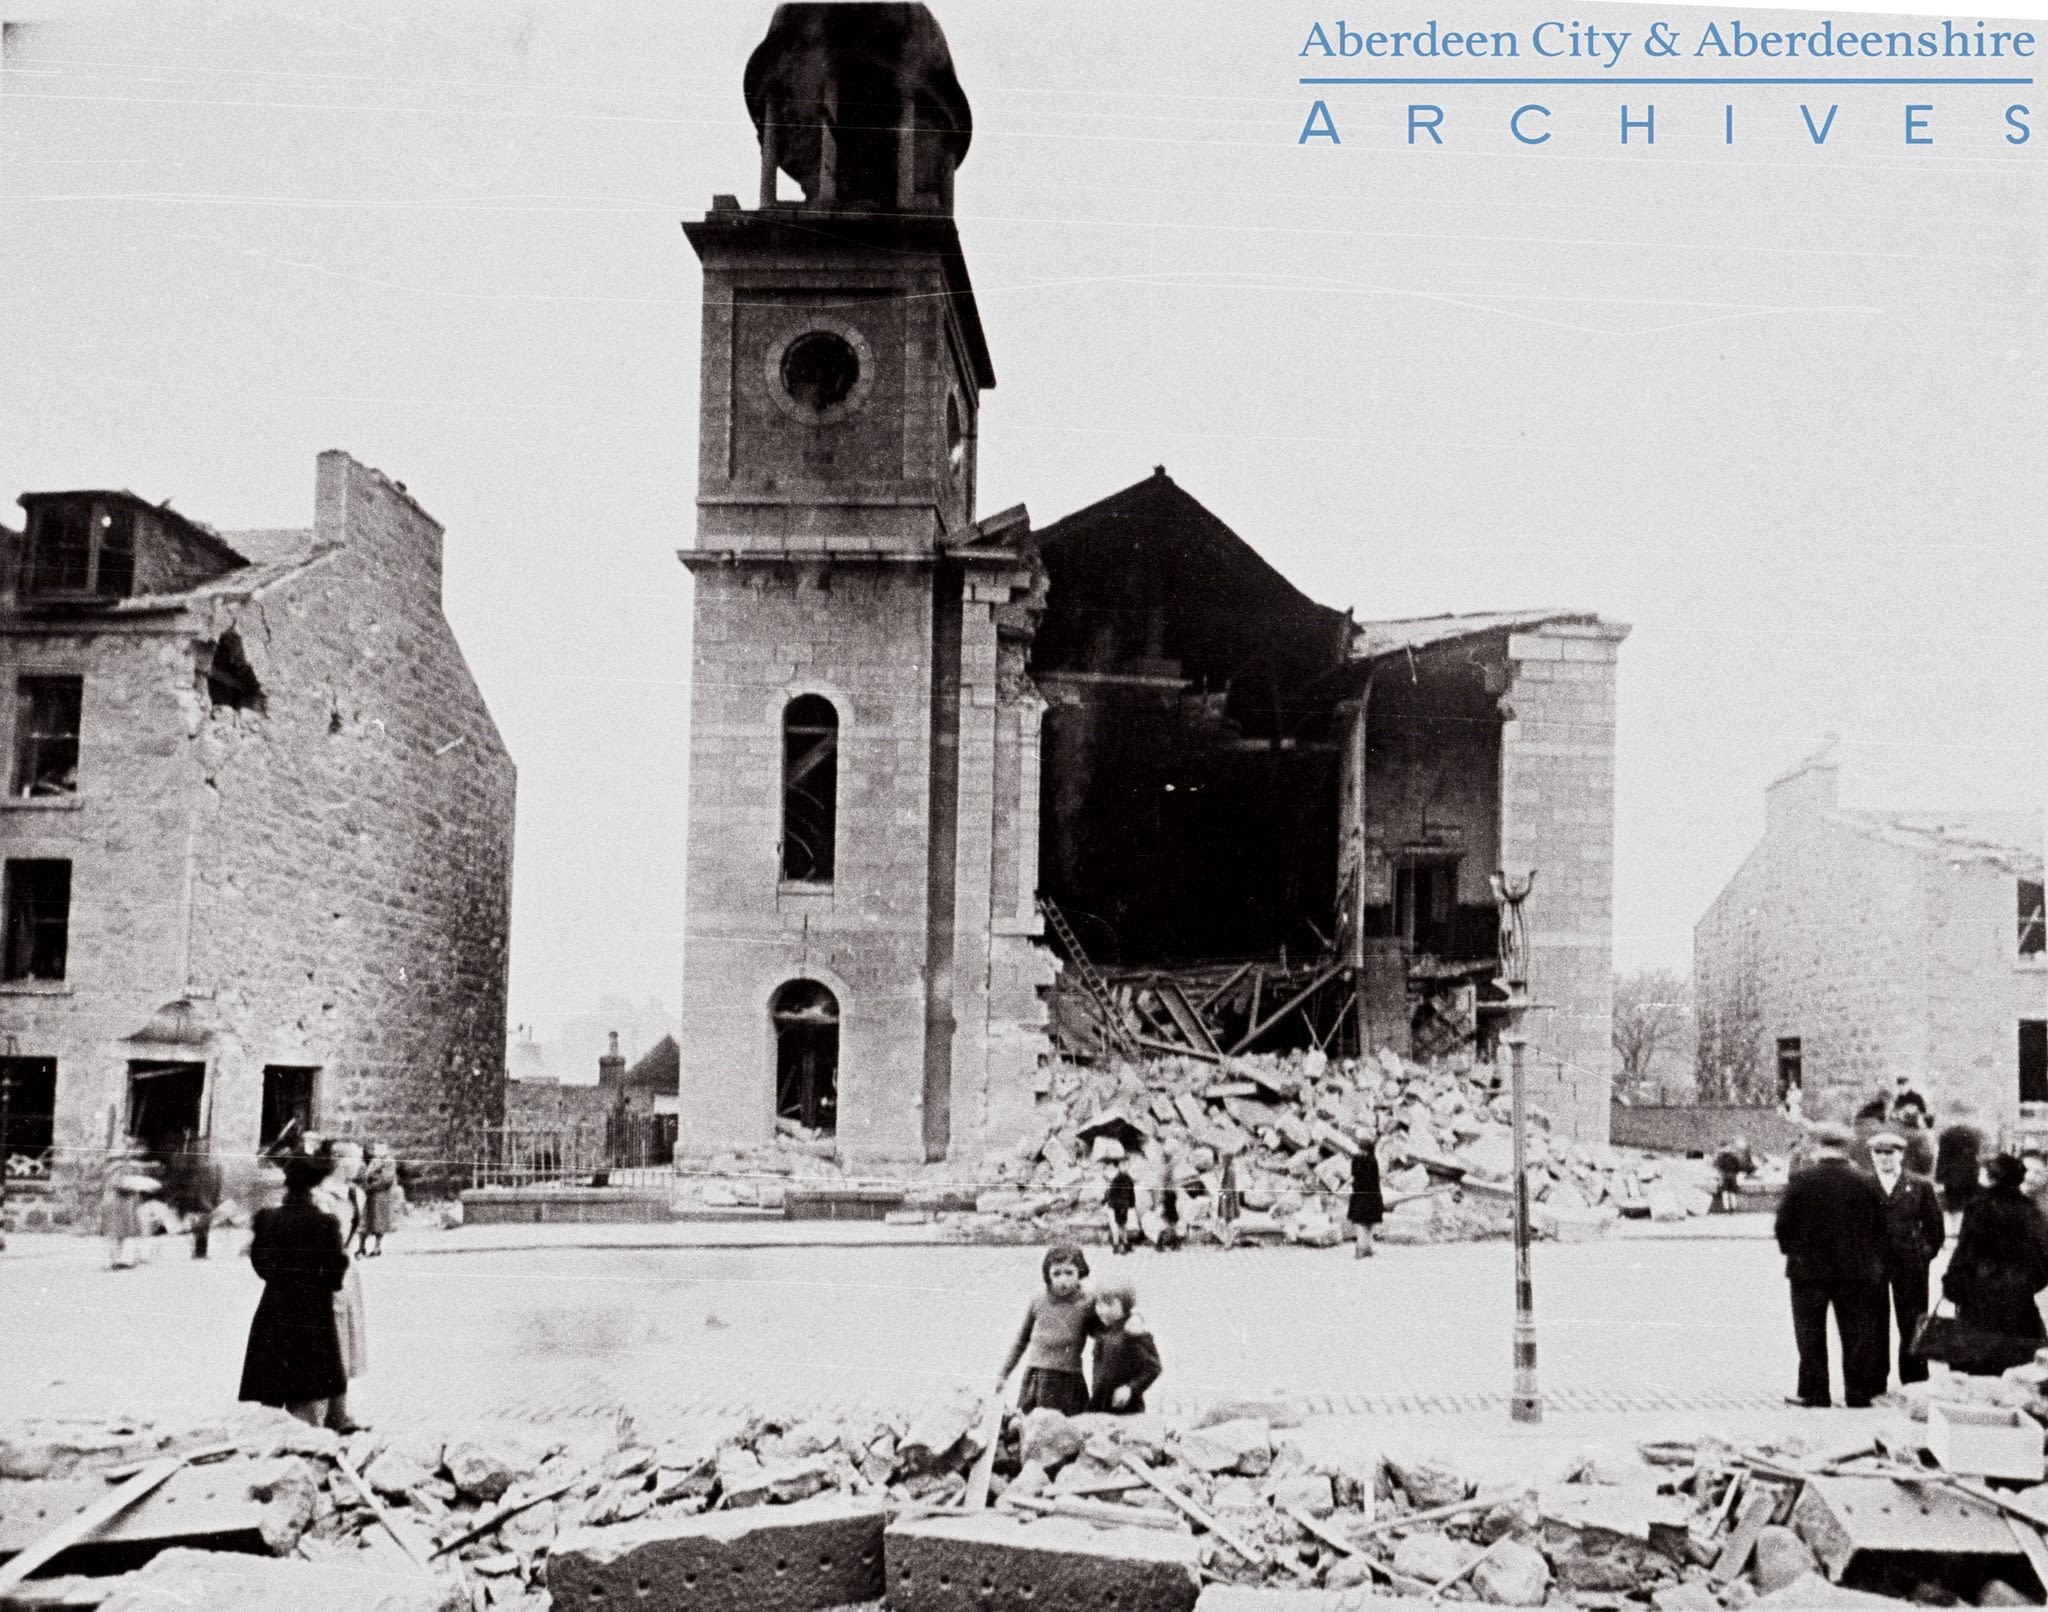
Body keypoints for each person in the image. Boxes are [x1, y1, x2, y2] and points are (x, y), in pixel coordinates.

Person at [1773, 1122, 1888, 1408]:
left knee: (1810, 1333)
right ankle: (1858, 1393)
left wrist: (1794, 1252)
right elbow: (1880, 1227)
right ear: (1846, 1148)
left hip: (1808, 1271)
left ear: (1818, 1146)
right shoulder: (1865, 1182)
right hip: (1855, 1271)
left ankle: (1814, 1392)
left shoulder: (1802, 1181)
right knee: (1856, 1333)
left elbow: (1783, 1225)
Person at [239, 1152, 350, 1425]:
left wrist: (280, 1278)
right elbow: (335, 1274)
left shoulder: (267, 1219)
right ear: (314, 1186)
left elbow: (260, 1264)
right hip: (313, 1313)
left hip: (274, 1308)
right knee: (306, 1389)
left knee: (272, 1386)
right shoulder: (325, 1223)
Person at [1941, 1153, 2048, 1376]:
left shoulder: (1978, 1207)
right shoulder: (2029, 1210)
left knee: (1977, 1361)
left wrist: (1952, 1285)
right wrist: (2025, 1285)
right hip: (2017, 1301)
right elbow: (2042, 1259)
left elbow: (1964, 1254)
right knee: (2014, 1362)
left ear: (1993, 1177)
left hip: (1978, 1298)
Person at [1868, 1130, 1943, 1388]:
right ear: (1872, 1156)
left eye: (1890, 1153)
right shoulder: (1864, 1185)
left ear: (1900, 1154)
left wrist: (1924, 1253)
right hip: (1874, 1264)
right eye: (1878, 1153)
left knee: (1912, 1321)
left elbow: (1935, 1227)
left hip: (1910, 1263)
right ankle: (1875, 1379)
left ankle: (1914, 1378)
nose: (1884, 1158)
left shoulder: (1920, 1185)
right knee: (1874, 1321)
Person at [994, 1245, 1097, 1415]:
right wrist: (1003, 1374)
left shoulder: (1087, 1303)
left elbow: (1106, 1333)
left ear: (1080, 1272)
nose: (1062, 1280)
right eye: (1056, 1273)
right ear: (1048, 1275)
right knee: (1031, 1426)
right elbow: (1021, 1341)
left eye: (1069, 1273)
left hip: (1069, 1382)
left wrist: (1135, 1319)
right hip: (1037, 1380)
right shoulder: (1039, 1301)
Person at [315, 1140, 370, 1433]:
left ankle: (340, 1413)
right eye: (355, 1159)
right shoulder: (321, 1196)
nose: (361, 1164)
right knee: (329, 1343)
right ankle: (320, 1414)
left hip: (348, 1273)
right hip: (327, 1273)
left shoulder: (356, 1194)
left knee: (347, 1343)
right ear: (338, 1161)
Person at [1087, 1280, 1162, 1414]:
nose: (1103, 1310)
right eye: (1099, 1304)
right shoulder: (1102, 1332)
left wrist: (1130, 1388)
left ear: (1125, 1305)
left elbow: (1153, 1368)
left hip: (1127, 1407)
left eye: (1110, 1304)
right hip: (1100, 1406)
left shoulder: (1134, 1332)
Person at [101, 1138, 157, 1270]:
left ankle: (119, 1259)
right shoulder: (116, 1167)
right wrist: (137, 1185)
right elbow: (118, 1183)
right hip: (116, 1202)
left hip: (125, 1202)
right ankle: (113, 1260)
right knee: (115, 1232)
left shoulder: (128, 1166)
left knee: (122, 1233)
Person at [1935, 1123, 1985, 1220]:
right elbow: (1976, 1157)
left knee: (1953, 1205)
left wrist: (1939, 1175)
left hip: (1952, 1176)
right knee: (1967, 1203)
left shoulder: (1947, 1135)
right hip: (1968, 1175)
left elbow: (1942, 1157)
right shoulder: (1973, 1135)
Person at [1347, 1131, 1384, 1258]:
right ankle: (1367, 1248)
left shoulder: (1358, 1160)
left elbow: (1355, 1175)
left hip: (1361, 1196)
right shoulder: (1373, 1160)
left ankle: (1361, 1249)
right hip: (1373, 1196)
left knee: (1361, 1224)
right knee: (1369, 1224)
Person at [360, 1143, 397, 1257]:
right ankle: (361, 1246)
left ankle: (377, 1247)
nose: (377, 1151)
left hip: (381, 1195)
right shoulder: (374, 1161)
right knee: (365, 1221)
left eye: (380, 1148)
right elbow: (365, 1175)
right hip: (370, 1195)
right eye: (376, 1148)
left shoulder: (389, 1161)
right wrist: (367, 1183)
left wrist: (371, 1185)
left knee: (378, 1223)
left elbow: (386, 1179)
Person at [1712, 1137, 1758, 1213]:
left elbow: (1716, 1165)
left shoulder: (1720, 1156)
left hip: (1724, 1176)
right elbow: (1739, 1166)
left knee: (1725, 1192)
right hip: (1732, 1176)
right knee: (1732, 1192)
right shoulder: (1733, 1156)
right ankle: (1732, 1207)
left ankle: (1727, 1208)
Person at [1104, 1160, 1137, 1255]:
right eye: (1123, 1165)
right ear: (1118, 1167)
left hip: (1123, 1205)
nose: (1125, 1167)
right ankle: (1117, 1245)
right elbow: (1113, 1194)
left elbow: (1131, 1192)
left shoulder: (1128, 1178)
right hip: (1116, 1206)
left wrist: (1131, 1204)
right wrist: (1115, 1205)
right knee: (1117, 1225)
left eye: (1127, 1165)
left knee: (1122, 1225)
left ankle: (1124, 1244)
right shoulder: (1117, 1179)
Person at [1214, 1152, 1241, 1250]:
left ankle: (1228, 1243)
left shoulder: (1229, 1170)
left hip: (1228, 1199)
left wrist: (1222, 1196)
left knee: (1228, 1221)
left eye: (1223, 1158)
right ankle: (1228, 1242)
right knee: (1227, 1221)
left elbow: (1228, 1187)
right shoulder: (1228, 1169)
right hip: (1228, 1198)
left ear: (1227, 1159)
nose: (1221, 1160)